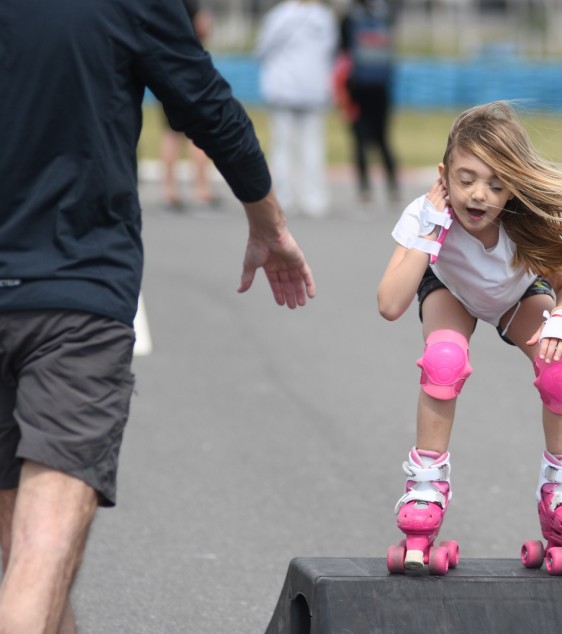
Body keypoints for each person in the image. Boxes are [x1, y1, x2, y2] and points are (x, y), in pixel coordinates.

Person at [0, 1, 316, 632]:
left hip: (66, 289)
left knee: (21, 560)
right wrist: (268, 221)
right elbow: (204, 102)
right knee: (39, 555)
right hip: (74, 289)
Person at [376, 101, 562, 575]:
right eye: (465, 179)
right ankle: (425, 484)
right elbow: (389, 304)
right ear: (443, 174)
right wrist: (430, 228)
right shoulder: (424, 216)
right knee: (443, 360)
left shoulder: (526, 222)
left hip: (515, 295)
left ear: (514, 187)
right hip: (451, 290)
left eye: (497, 183)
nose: (479, 195)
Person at [256, 0, 338, 218]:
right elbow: (330, 49)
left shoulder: (279, 16)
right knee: (312, 146)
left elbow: (262, 48)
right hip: (312, 88)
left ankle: (283, 198)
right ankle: (314, 199)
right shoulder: (323, 18)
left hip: (284, 87)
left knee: (283, 146)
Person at [336, 0, 400, 204]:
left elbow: (341, 52)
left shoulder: (349, 18)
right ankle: (392, 189)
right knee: (382, 139)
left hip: (357, 87)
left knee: (360, 140)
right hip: (380, 88)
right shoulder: (384, 14)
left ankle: (365, 191)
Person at [160, 0, 217, 210]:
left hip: (164, 67)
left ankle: (169, 189)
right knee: (198, 130)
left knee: (170, 132)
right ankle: (201, 188)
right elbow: (203, 26)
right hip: (189, 66)